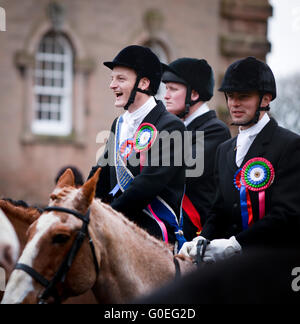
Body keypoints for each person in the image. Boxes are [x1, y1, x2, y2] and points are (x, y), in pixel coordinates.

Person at [180, 56, 300, 262]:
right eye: (230, 96)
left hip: (274, 263)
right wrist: (203, 238)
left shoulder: (289, 145)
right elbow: (218, 209)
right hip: (231, 268)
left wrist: (237, 244)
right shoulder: (224, 149)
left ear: (265, 99)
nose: (234, 103)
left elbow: (287, 214)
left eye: (243, 96)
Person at [88, 45, 187, 249]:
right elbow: (101, 173)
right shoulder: (119, 124)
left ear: (143, 83)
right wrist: (79, 201)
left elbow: (148, 183)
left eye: (121, 79)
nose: (112, 85)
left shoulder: (171, 126)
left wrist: (108, 216)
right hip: (117, 226)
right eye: (112, 79)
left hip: (153, 232)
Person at [162, 58, 231, 241]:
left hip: (196, 231)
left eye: (173, 89)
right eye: (166, 88)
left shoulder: (215, 130)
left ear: (193, 94)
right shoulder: (174, 129)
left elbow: (182, 171)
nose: (165, 96)